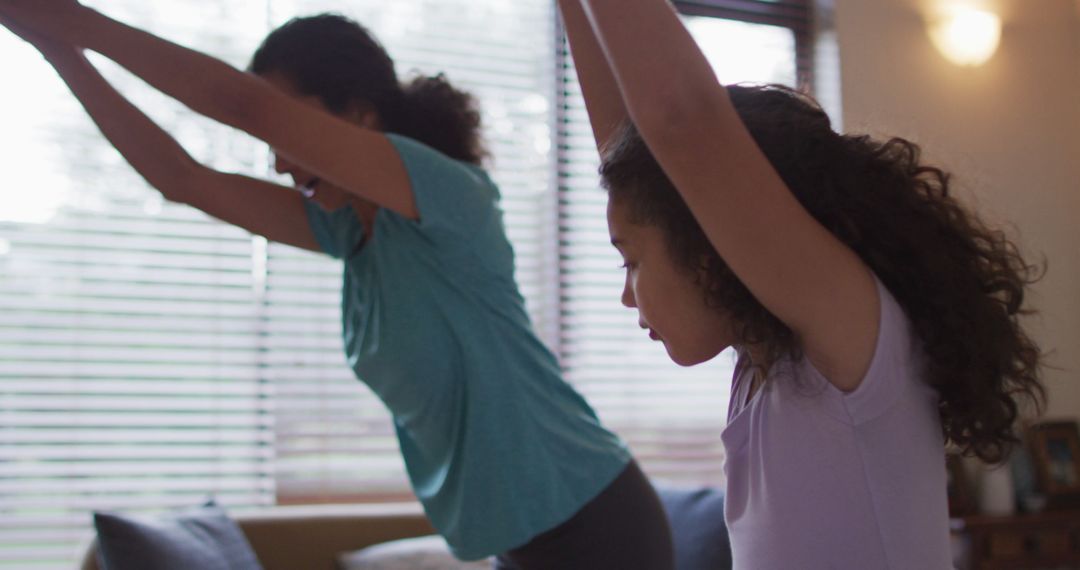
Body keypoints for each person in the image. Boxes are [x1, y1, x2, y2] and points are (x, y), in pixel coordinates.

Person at [0, 4, 676, 568]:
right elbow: (181, 180)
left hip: (595, 517)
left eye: (289, 123)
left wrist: (68, 15)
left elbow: (244, 107)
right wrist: (56, 47)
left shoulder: (451, 199)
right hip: (520, 540)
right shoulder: (351, 237)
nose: (278, 159)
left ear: (358, 118)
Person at [557, 0, 1044, 568]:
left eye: (630, 261)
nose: (625, 294)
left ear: (712, 247)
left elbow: (680, 120)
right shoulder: (766, 358)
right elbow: (639, 158)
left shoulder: (848, 342)